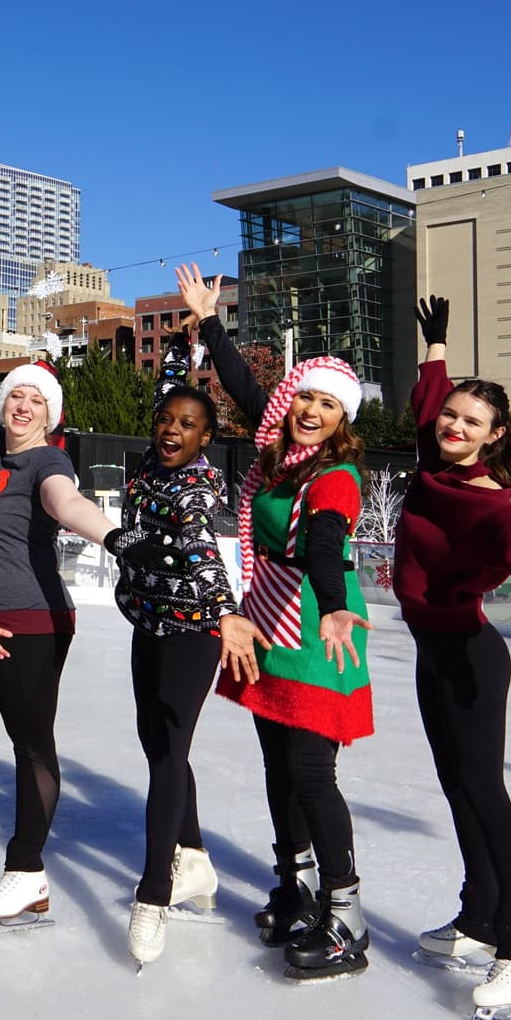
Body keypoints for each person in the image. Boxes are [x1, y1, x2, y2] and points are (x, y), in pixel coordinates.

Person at [177, 264, 374, 980]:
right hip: (268, 625)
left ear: (343, 417)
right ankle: (294, 885)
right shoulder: (281, 456)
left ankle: (346, 911)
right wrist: (209, 322)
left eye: (328, 403)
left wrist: (340, 603)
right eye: (306, 398)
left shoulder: (335, 476)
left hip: (321, 630)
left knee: (313, 775)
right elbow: (244, 386)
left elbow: (325, 542)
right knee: (277, 768)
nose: (311, 410)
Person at [0, 349, 163, 929]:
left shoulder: (47, 463)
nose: (22, 406)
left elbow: (67, 503)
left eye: (36, 400)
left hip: (30, 623)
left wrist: (116, 538)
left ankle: (28, 871)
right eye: (16, 398)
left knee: (29, 747)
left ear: (51, 416)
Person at [398, 295, 511, 1020]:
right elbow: (428, 401)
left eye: (472, 422)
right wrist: (436, 346)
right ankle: (478, 917)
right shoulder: (431, 463)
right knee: (457, 787)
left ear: (495, 436)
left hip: (470, 656)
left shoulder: (480, 496)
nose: (453, 425)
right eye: (451, 418)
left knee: (485, 792)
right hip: (432, 652)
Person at [112, 326, 268, 966]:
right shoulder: (153, 458)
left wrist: (228, 612)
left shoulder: (197, 486)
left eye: (188, 425)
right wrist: (181, 349)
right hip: (147, 621)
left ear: (208, 438)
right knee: (156, 746)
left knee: (170, 752)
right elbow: (166, 391)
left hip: (194, 630)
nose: (173, 430)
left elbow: (203, 548)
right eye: (166, 422)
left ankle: (153, 896)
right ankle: (196, 857)